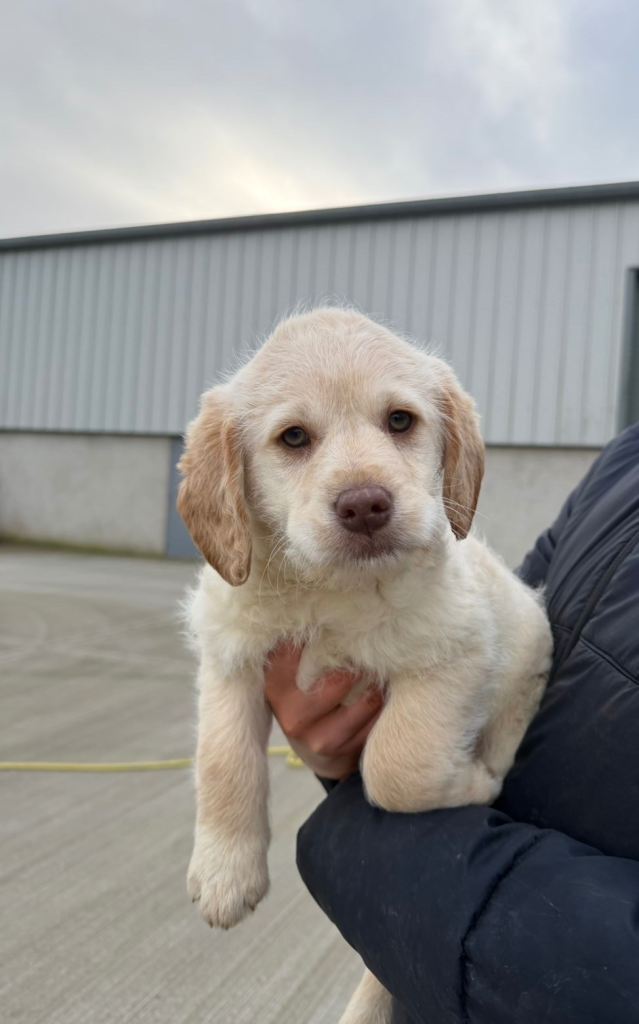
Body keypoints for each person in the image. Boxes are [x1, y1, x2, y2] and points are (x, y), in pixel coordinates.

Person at [265, 422, 639, 1024]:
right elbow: (504, 626)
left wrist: (375, 839)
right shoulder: (627, 459)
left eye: (399, 422)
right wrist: (356, 740)